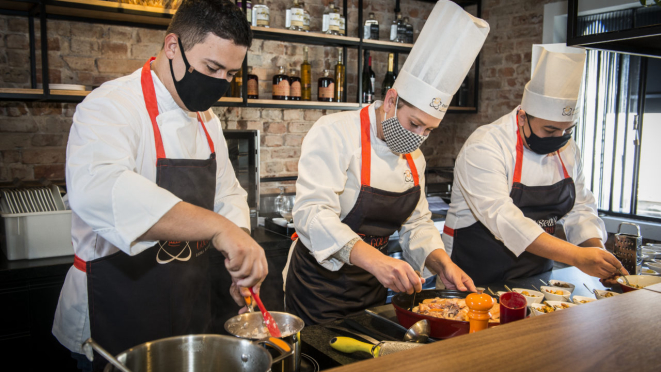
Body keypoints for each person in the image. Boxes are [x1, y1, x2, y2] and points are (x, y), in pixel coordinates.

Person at [52, 1, 267, 370]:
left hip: (185, 311)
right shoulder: (110, 106)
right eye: (211, 68)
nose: (219, 82)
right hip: (113, 311)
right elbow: (101, 190)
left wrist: (240, 252)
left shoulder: (207, 121)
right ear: (172, 47)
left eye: (230, 74)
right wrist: (219, 228)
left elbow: (227, 193)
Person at [283, 0, 490, 326]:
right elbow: (312, 215)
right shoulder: (334, 133)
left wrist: (441, 264)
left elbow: (417, 225)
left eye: (429, 130)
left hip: (372, 288)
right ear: (391, 100)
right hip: (318, 289)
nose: (419, 137)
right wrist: (377, 261)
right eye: (414, 123)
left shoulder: (414, 159)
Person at [442, 44, 627, 285]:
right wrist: (577, 256)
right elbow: (504, 219)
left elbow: (580, 209)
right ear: (522, 117)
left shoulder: (568, 149)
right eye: (550, 129)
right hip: (474, 279)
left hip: (537, 281)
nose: (559, 138)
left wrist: (596, 252)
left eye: (567, 130)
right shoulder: (486, 145)